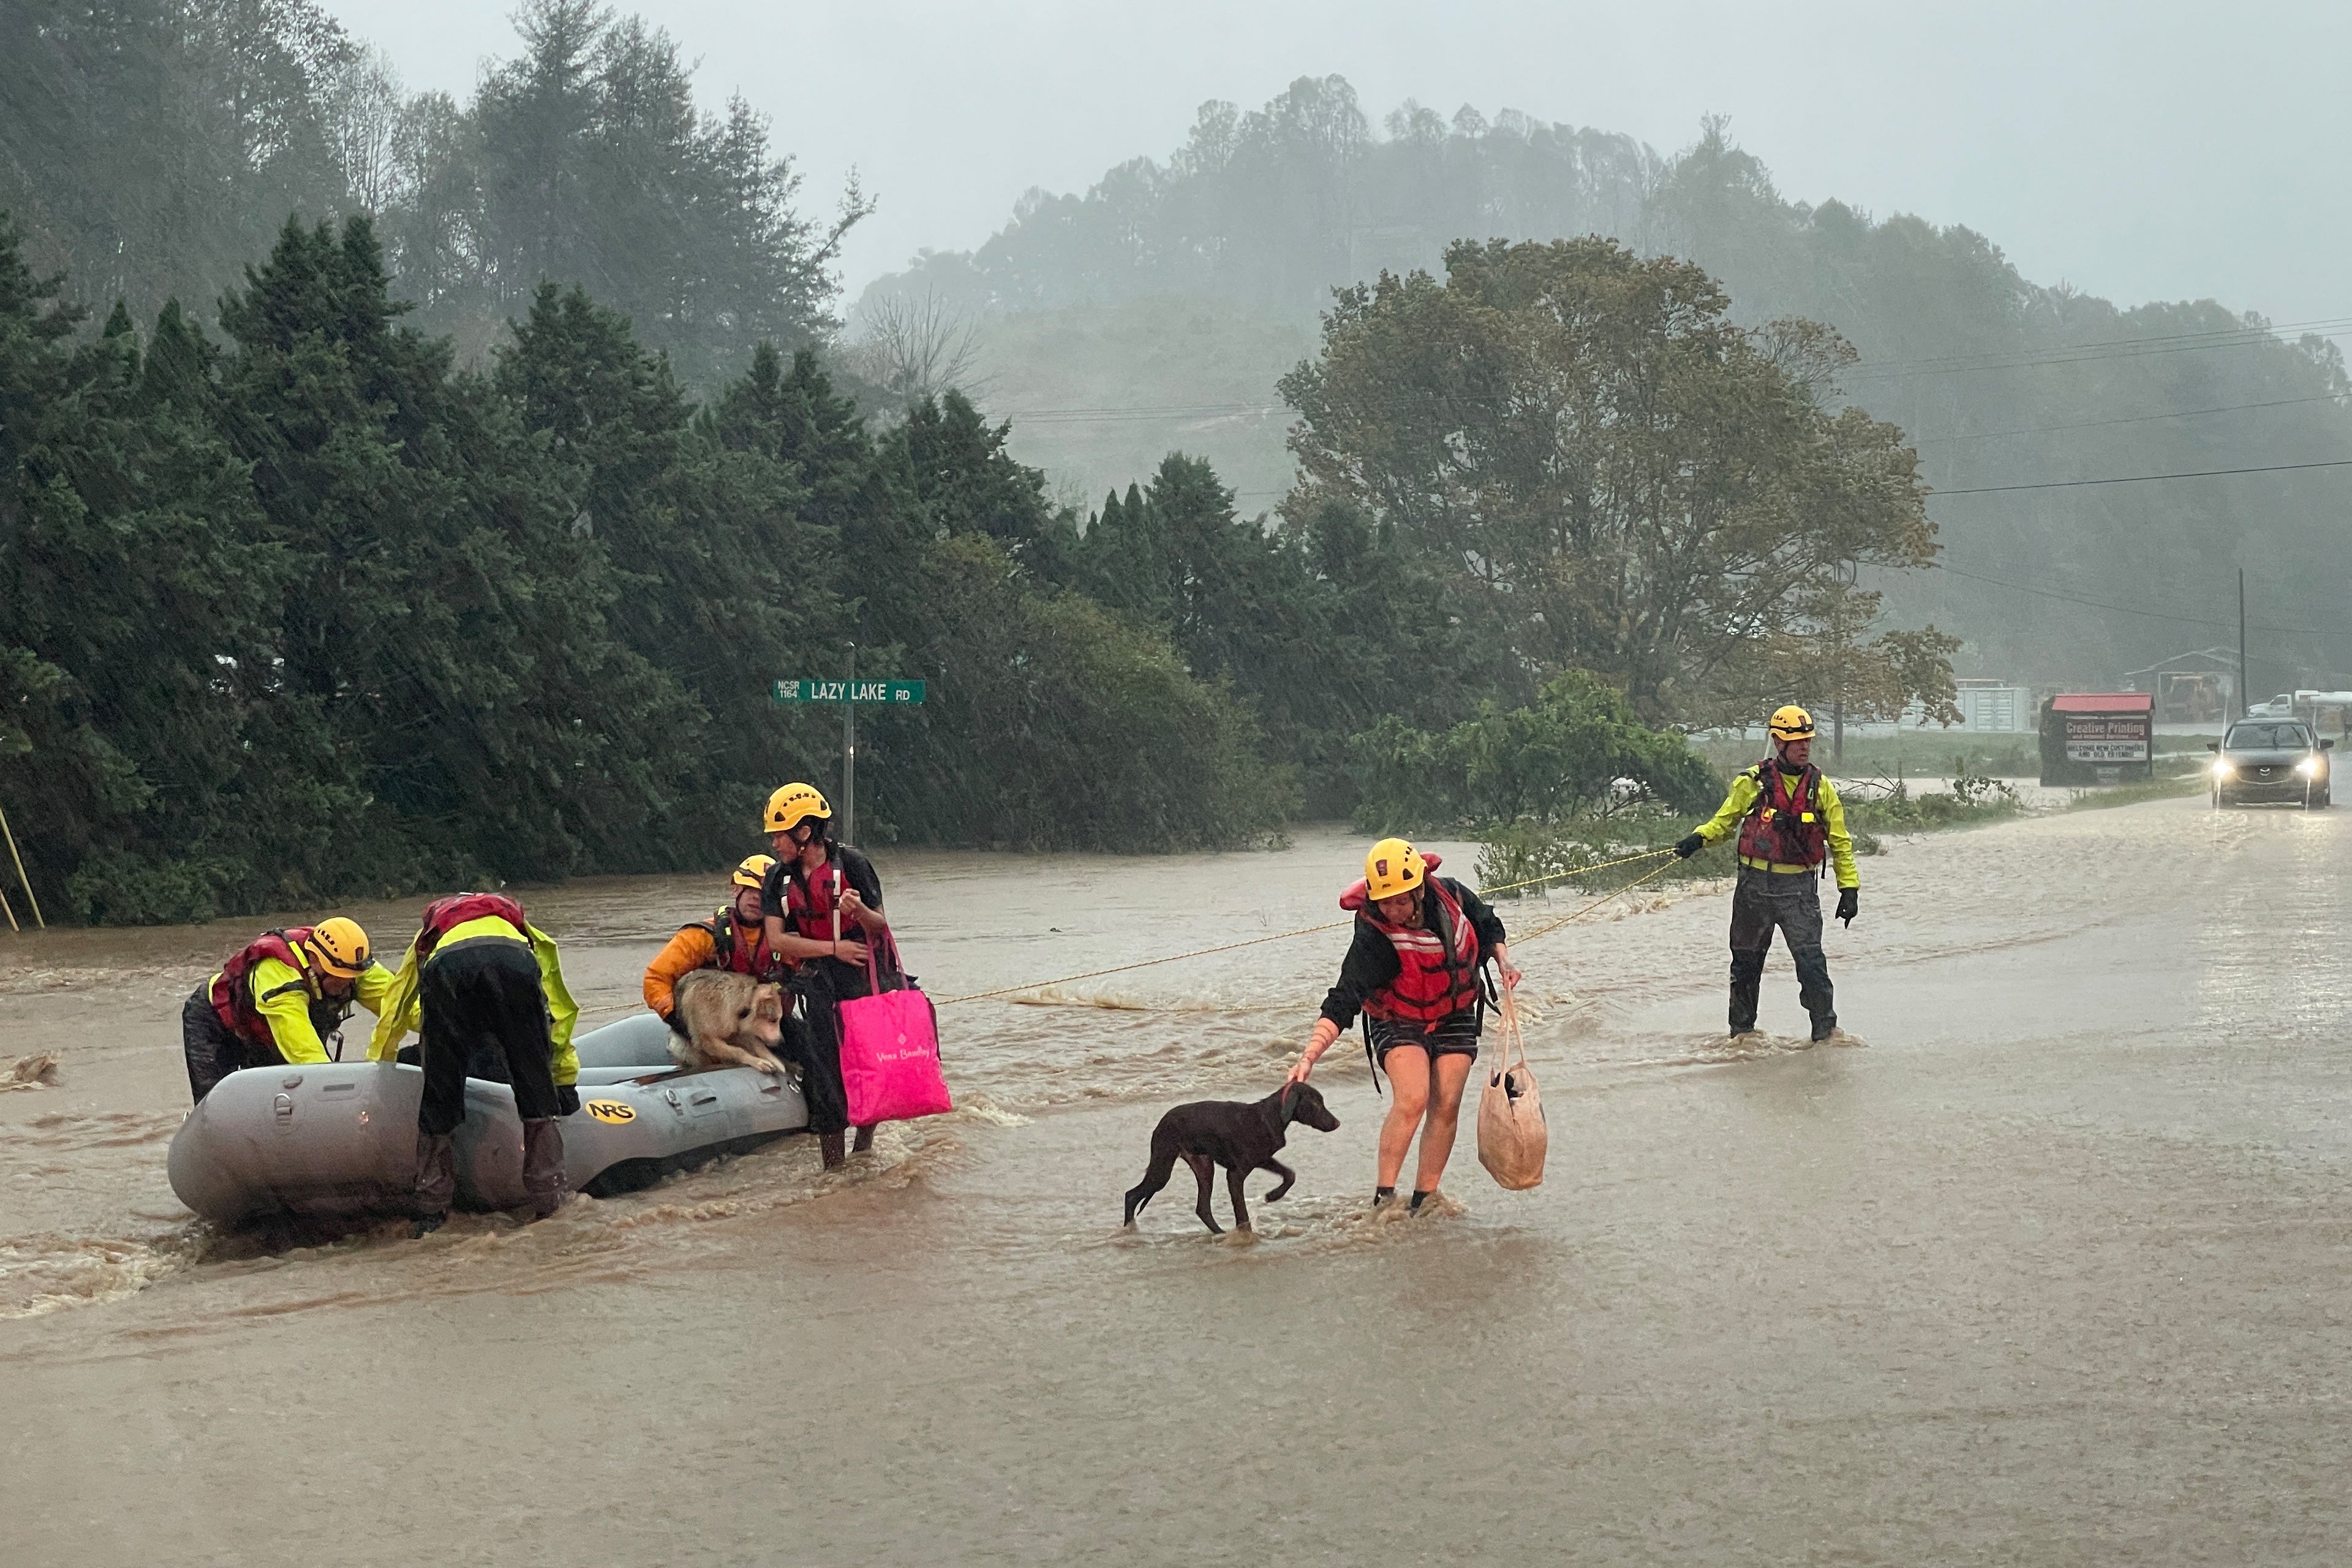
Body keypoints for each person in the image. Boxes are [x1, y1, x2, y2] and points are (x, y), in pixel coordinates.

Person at [1284, 837, 1520, 1212]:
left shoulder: (1453, 896)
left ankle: (1425, 1199)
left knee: (1447, 1101)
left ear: (1420, 889)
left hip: (1454, 1012)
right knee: (1413, 1098)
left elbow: (1489, 926)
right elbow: (1345, 997)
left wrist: (1504, 961)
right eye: (1385, 902)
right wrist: (1309, 1057)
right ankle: (1385, 1199)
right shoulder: (1374, 937)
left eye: (1401, 900)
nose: (1392, 909)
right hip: (1397, 1017)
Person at [369, 894, 581, 1232]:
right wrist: (563, 1079)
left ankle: (431, 1211)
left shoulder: (432, 934)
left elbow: (396, 1006)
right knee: (535, 1086)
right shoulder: (523, 932)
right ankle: (549, 1201)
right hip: (513, 964)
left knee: (441, 1094)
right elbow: (559, 1010)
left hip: (449, 969)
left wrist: (376, 1072)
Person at [1672, 703, 1858, 1042]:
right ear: (1778, 742)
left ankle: (1826, 1036)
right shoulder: (1752, 782)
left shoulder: (1821, 787)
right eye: (1797, 740)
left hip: (1799, 890)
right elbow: (1724, 823)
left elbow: (1840, 841)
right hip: (1754, 889)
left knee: (1812, 967)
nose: (1804, 747)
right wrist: (1698, 839)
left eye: (1808, 740)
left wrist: (1850, 889)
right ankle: (1742, 1038)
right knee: (1745, 967)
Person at [758, 782, 887, 1170]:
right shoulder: (777, 880)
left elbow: (880, 926)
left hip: (861, 980)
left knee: (866, 1066)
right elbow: (778, 940)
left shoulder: (853, 864)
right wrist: (834, 950)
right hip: (817, 982)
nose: (775, 845)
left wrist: (859, 911)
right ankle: (833, 1171)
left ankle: (863, 1151)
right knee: (825, 1075)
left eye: (779, 836)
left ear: (804, 832)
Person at [179, 918, 390, 1103]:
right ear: (315, 960)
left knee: (290, 1100)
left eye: (351, 977)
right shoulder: (278, 973)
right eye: (337, 975)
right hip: (215, 1023)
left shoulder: (353, 965)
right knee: (218, 1106)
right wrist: (342, 1099)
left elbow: (402, 1006)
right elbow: (305, 1054)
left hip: (265, 1036)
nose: (346, 983)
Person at [643, 854, 788, 1029]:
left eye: (763, 894)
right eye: (750, 891)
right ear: (737, 890)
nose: (756, 899)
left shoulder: (785, 938)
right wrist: (676, 1019)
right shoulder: (705, 935)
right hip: (711, 1026)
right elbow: (656, 977)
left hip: (762, 1025)